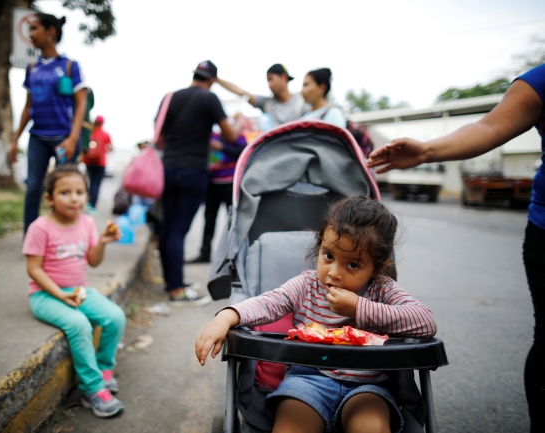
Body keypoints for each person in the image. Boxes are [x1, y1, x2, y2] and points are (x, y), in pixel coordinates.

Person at [367, 63, 545, 432]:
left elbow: (422, 321)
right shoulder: (541, 78)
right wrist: (428, 151)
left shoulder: (382, 292)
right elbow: (490, 126)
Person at [195, 195, 436, 433]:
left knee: (371, 427)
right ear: (320, 246)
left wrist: (359, 308)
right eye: (328, 256)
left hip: (368, 387)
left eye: (352, 264)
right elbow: (268, 303)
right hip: (307, 381)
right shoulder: (306, 285)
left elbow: (425, 321)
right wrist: (227, 316)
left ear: (377, 268)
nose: (334, 272)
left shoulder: (382, 289)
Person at [23, 165, 126, 418]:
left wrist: (101, 242)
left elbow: (93, 261)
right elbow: (34, 269)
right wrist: (60, 294)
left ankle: (103, 369)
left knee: (115, 317)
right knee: (80, 325)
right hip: (45, 295)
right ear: (49, 198)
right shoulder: (40, 227)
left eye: (80, 192)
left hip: (79, 291)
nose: (74, 198)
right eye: (65, 192)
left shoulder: (87, 223)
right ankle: (91, 389)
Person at [157, 60, 243, 305]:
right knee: (179, 230)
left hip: (168, 168)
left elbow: (159, 131)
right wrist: (237, 121)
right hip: (193, 170)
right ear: (212, 80)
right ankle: (176, 290)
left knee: (168, 227)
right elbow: (231, 135)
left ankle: (172, 281)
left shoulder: (170, 97)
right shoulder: (209, 98)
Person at [8, 12, 88, 234]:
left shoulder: (71, 66)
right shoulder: (32, 67)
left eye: (34, 28)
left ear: (50, 31)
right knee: (33, 188)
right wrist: (15, 140)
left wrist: (73, 138)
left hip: (63, 139)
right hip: (38, 138)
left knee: (65, 189)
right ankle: (31, 239)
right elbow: (28, 107)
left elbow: (82, 103)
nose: (31, 34)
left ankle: (68, 236)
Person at [187, 120, 247, 264]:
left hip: (230, 183)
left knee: (233, 220)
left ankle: (234, 255)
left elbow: (243, 153)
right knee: (209, 219)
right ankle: (205, 253)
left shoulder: (238, 137)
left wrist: (222, 148)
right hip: (212, 184)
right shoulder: (211, 136)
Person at [217, 64, 309, 129]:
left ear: (284, 77)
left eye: (271, 79)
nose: (269, 84)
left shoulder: (302, 103)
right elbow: (241, 92)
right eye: (267, 81)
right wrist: (217, 79)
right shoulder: (267, 103)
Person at [82, 115, 112, 215]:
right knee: (96, 184)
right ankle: (92, 205)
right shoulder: (105, 134)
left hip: (89, 161)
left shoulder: (91, 132)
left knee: (90, 183)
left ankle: (87, 202)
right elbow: (111, 147)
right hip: (100, 163)